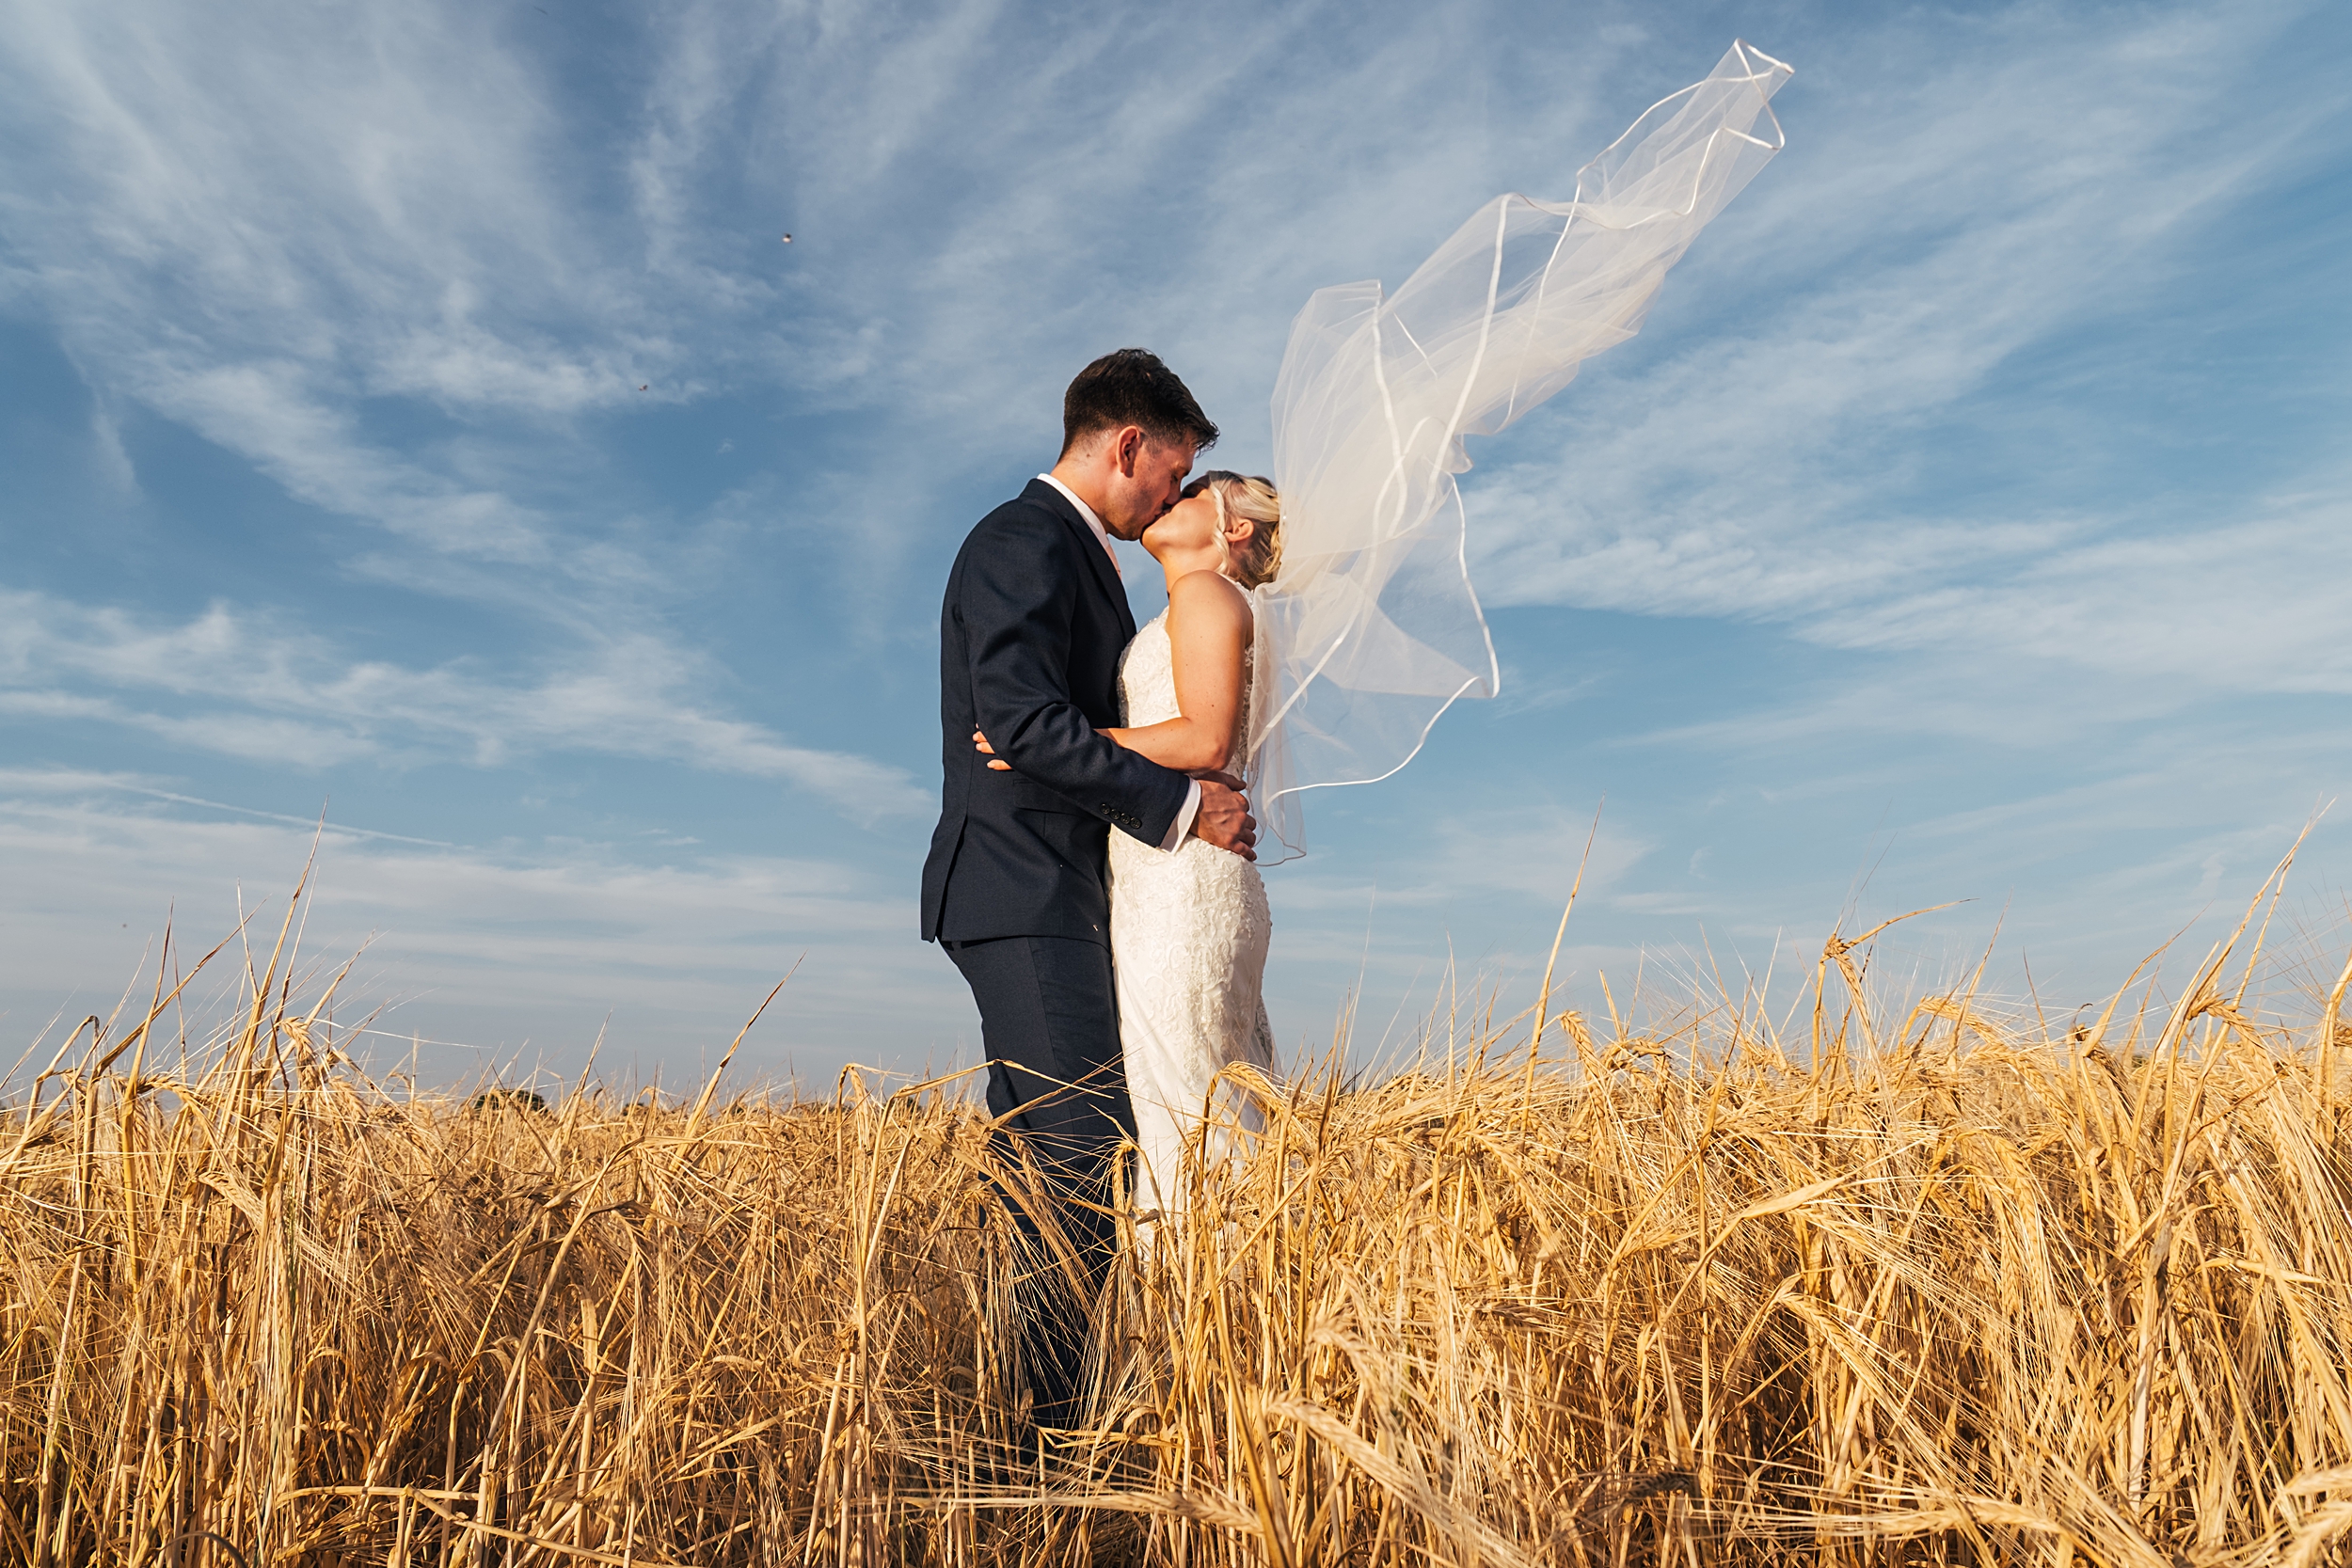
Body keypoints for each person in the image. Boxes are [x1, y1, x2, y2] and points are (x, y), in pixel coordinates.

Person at [920, 348, 1255, 1439]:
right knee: (1082, 1154)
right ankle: (1049, 1438)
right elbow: (1015, 721)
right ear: (1128, 445)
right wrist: (1181, 806)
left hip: (1062, 892)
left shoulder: (1078, 556)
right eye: (1174, 469)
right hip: (1020, 889)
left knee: (1039, 1163)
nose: (1174, 493)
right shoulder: (1023, 540)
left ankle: (1019, 1428)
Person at [977, 472, 1284, 1224]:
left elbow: (1206, 738)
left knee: (1180, 1095)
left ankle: (1195, 1312)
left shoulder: (1208, 595)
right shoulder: (1187, 605)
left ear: (1232, 528)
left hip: (1185, 878)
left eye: (1190, 491)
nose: (1166, 500)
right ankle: (1231, 1309)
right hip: (1162, 869)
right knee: (1181, 1089)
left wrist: (1045, 745)